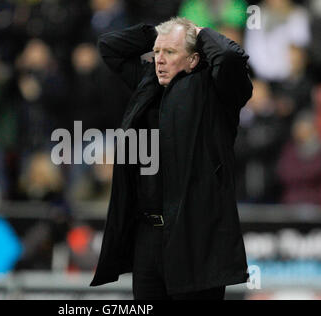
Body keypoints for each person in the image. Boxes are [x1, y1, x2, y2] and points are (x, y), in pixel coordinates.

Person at [90, 17, 253, 300]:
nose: (159, 60)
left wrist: (199, 32)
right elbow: (109, 47)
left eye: (170, 53)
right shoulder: (149, 82)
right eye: (156, 52)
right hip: (149, 236)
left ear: (193, 60)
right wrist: (157, 33)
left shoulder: (217, 92)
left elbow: (228, 56)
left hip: (196, 237)